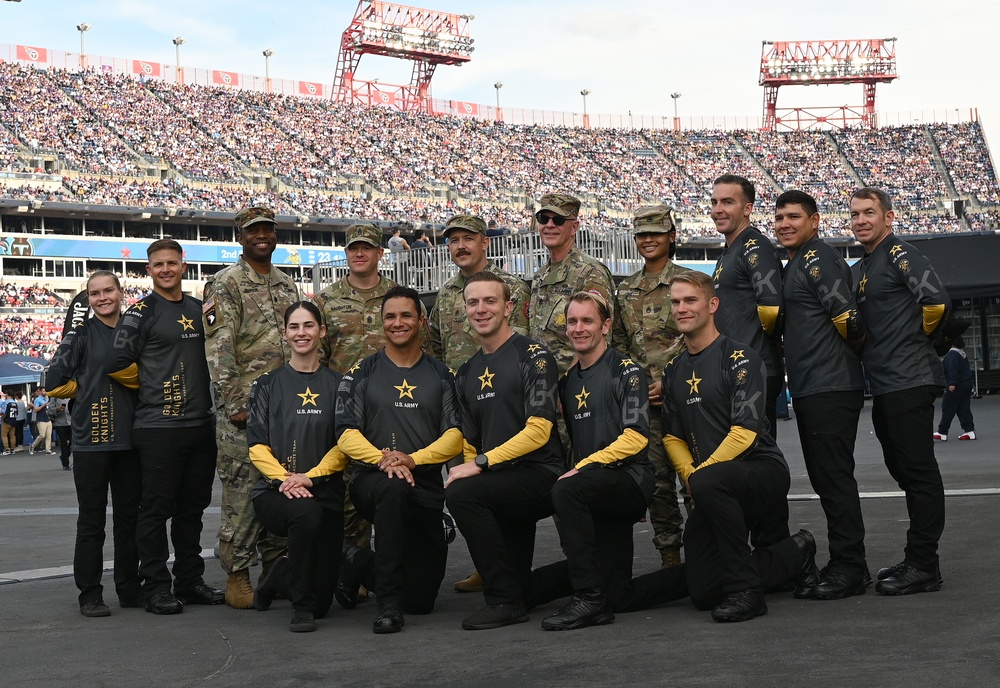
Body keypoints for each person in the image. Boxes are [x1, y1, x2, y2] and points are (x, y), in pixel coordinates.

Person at [529, 292, 691, 630]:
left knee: (566, 490)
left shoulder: (627, 371)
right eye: (572, 321)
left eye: (587, 321)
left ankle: (589, 599)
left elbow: (635, 438)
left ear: (605, 326)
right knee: (621, 596)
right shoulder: (567, 382)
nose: (578, 328)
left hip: (629, 479)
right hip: (594, 486)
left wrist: (581, 470)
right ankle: (707, 571)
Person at [661, 271, 817, 622]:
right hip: (710, 484)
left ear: (712, 304)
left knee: (710, 483)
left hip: (762, 472)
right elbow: (671, 436)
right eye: (675, 301)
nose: (681, 308)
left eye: (690, 300)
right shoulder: (672, 371)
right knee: (702, 592)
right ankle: (796, 553)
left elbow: (745, 433)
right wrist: (690, 475)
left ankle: (747, 592)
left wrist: (701, 475)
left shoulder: (742, 358)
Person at [335, 286, 463, 634]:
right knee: (392, 489)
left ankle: (353, 560)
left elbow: (454, 436)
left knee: (421, 601)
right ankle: (388, 603)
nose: (398, 322)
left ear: (421, 320)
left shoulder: (442, 375)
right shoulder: (361, 372)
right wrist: (385, 460)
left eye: (406, 315)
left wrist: (412, 460)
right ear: (381, 322)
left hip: (424, 485)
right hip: (372, 481)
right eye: (390, 316)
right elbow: (345, 432)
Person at [108, 239, 223, 615]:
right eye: (159, 264)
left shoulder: (199, 308)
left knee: (193, 509)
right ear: (149, 270)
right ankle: (156, 585)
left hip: (200, 426)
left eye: (172, 263)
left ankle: (189, 580)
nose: (166, 269)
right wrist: (154, 387)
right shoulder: (141, 313)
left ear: (183, 266)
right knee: (155, 511)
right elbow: (116, 361)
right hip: (158, 427)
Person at [445, 271, 563, 631]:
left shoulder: (534, 356)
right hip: (502, 479)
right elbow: (469, 440)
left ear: (509, 307)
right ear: (465, 309)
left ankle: (502, 599)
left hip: (541, 473)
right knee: (522, 584)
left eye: (490, 301)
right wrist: (473, 464)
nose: (481, 309)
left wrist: (480, 464)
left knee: (463, 494)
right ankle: (521, 591)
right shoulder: (466, 371)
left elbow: (539, 431)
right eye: (473, 302)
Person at [850, 187, 950, 595]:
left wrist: (913, 339)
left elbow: (938, 302)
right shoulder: (861, 266)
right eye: (854, 214)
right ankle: (918, 559)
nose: (860, 220)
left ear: (888, 217)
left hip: (910, 379)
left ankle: (924, 564)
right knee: (902, 470)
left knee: (919, 474)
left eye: (869, 212)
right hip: (886, 385)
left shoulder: (900, 253)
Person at [773, 190, 870, 600]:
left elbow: (847, 315)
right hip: (815, 386)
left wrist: (858, 355)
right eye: (778, 217)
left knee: (833, 478)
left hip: (829, 385)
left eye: (794, 216)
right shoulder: (797, 262)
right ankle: (848, 564)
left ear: (815, 221)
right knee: (827, 478)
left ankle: (849, 567)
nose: (785, 224)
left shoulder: (817, 257)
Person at [203, 205, 301, 609]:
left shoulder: (286, 285)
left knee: (284, 485)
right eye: (253, 230)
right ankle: (237, 574)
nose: (262, 235)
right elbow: (218, 347)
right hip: (243, 410)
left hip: (285, 408)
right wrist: (235, 403)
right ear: (240, 237)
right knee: (242, 493)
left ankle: (275, 570)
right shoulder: (224, 284)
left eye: (268, 229)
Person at [428, 213, 530, 593]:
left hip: (506, 405)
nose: (460, 246)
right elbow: (436, 348)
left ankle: (511, 568)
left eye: (467, 238)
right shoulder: (445, 295)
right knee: (465, 485)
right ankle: (485, 565)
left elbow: (525, 341)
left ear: (485, 242)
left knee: (505, 485)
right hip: (463, 407)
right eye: (453, 240)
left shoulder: (513, 287)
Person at [247, 301, 347, 633]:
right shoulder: (266, 385)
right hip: (276, 493)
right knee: (304, 512)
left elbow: (343, 445)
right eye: (294, 327)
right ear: (285, 334)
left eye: (308, 326)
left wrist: (310, 477)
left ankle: (281, 577)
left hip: (325, 491)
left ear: (321, 331)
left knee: (324, 604)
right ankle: (299, 607)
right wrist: (286, 480)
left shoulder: (340, 385)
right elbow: (257, 447)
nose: (301, 333)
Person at [47, 270, 142, 617]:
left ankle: (130, 588)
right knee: (91, 521)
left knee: (130, 519)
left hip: (132, 440)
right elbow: (54, 381)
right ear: (88, 299)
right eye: (94, 293)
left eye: (108, 291)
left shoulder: (135, 331)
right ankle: (89, 593)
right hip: (91, 441)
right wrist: (84, 390)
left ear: (121, 292)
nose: (102, 298)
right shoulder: (81, 334)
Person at [315, 223, 397, 603]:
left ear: (381, 252)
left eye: (367, 248)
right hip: (346, 410)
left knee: (393, 489)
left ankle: (393, 568)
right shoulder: (327, 301)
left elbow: (423, 347)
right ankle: (352, 570)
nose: (359, 253)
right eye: (353, 248)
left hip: (395, 408)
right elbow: (317, 356)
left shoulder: (397, 298)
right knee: (348, 494)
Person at [710, 174, 788, 548]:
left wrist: (755, 353)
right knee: (741, 468)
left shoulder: (754, 245)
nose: (718, 209)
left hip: (753, 373)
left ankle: (775, 552)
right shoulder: (730, 249)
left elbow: (771, 305)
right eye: (714, 202)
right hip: (735, 373)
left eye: (727, 202)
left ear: (747, 208)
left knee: (759, 466)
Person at [612, 205, 688, 569]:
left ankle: (709, 552)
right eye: (642, 234)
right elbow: (620, 345)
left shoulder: (688, 284)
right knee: (658, 485)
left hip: (690, 398)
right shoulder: (625, 290)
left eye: (656, 232)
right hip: (647, 404)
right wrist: (638, 386)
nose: (648, 240)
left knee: (697, 479)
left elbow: (700, 339)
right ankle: (670, 556)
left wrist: (668, 382)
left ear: (671, 236)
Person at [530, 193, 615, 376]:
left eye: (559, 220)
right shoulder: (540, 275)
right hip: (540, 385)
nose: (549, 225)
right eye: (543, 219)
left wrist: (571, 384)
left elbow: (601, 337)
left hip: (575, 387)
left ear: (574, 227)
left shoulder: (590, 272)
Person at [935, 336, 976, 442]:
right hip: (966, 384)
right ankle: (969, 431)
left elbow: (953, 370)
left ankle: (942, 432)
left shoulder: (952, 355)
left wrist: (952, 384)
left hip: (956, 385)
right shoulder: (961, 353)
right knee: (964, 409)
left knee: (948, 407)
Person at [48, 394, 72, 470]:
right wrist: (57, 409)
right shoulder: (55, 396)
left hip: (71, 421)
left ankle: (64, 456)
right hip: (60, 422)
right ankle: (66, 464)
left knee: (73, 441)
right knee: (63, 442)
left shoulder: (70, 393)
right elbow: (49, 411)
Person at [28, 387, 54, 455]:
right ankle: (33, 446)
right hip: (41, 419)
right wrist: (43, 405)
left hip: (48, 419)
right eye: (43, 391)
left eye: (45, 391)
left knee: (48, 435)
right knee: (42, 435)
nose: (44, 392)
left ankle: (48, 450)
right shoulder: (38, 400)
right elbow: (36, 409)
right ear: (39, 392)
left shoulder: (47, 398)